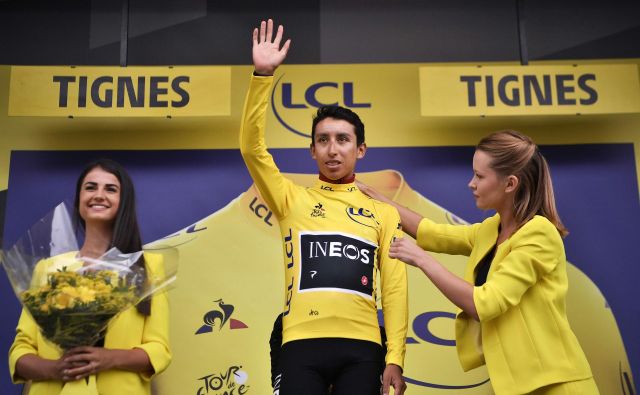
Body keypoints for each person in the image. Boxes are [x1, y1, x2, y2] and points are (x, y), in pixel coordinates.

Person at [359, 130, 599, 395]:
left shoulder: (539, 233)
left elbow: (485, 303)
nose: (471, 183)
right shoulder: (491, 229)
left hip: (557, 385)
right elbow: (433, 233)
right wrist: (379, 201)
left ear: (510, 184)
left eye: (480, 176)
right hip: (518, 386)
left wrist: (421, 259)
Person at [242, 19, 407, 395]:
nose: (333, 149)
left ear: (360, 149)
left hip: (364, 348)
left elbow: (395, 289)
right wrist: (262, 76)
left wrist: (395, 356)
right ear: (312, 150)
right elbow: (252, 149)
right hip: (300, 344)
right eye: (323, 140)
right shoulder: (290, 198)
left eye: (343, 140)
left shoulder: (384, 212)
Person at [8, 159, 172, 395]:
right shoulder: (47, 268)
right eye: (90, 187)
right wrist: (55, 369)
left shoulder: (147, 267)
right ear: (79, 200)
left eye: (111, 189)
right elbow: (21, 350)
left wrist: (110, 358)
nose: (99, 195)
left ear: (123, 202)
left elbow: (159, 349)